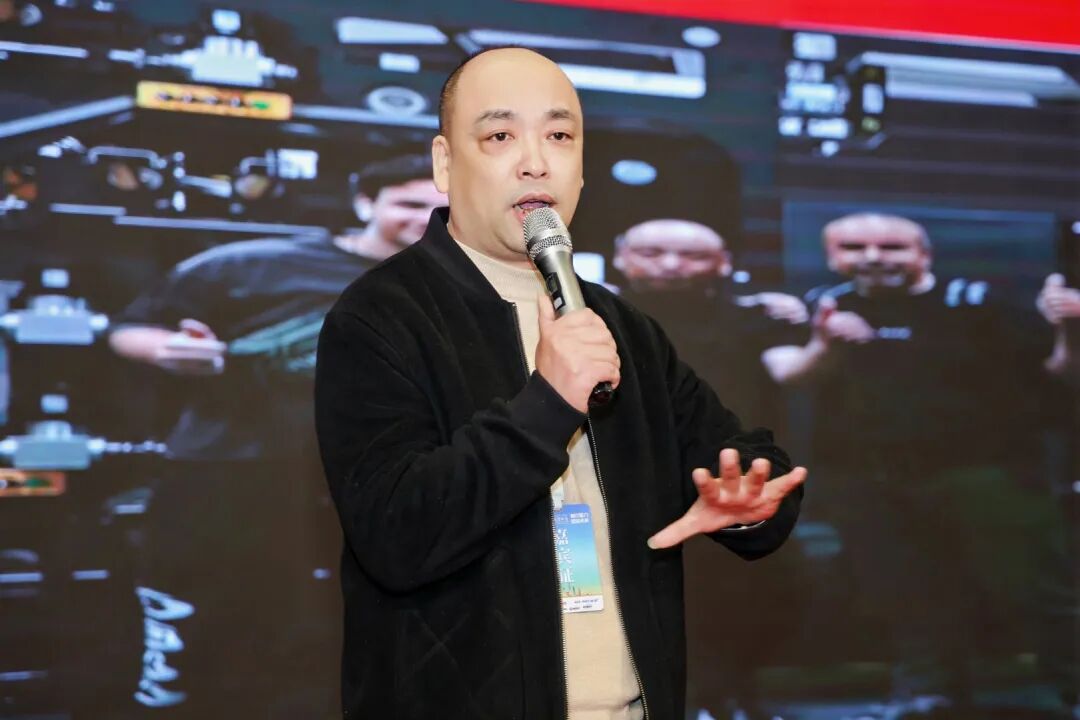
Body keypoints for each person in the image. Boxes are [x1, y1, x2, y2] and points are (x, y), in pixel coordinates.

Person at [314, 47, 806, 720]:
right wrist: (548, 403)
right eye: (499, 136)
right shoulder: (381, 315)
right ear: (445, 164)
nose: (535, 162)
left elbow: (740, 456)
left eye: (559, 136)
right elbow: (398, 536)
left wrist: (749, 501)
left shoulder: (621, 324)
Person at [108, 152, 445, 714]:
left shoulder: (464, 283)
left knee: (332, 633)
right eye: (409, 204)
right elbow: (130, 329)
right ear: (365, 202)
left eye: (443, 209)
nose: (426, 220)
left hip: (372, 484)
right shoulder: (250, 265)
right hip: (235, 473)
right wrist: (169, 350)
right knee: (215, 620)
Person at [763, 212, 1073, 712]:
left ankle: (1071, 688)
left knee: (1033, 588)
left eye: (892, 247)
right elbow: (790, 376)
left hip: (985, 472)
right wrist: (826, 342)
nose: (873, 257)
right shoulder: (819, 305)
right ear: (832, 256)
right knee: (904, 595)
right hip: (868, 477)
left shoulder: (978, 301)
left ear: (923, 254)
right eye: (854, 247)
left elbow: (1056, 373)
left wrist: (1069, 327)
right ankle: (928, 696)